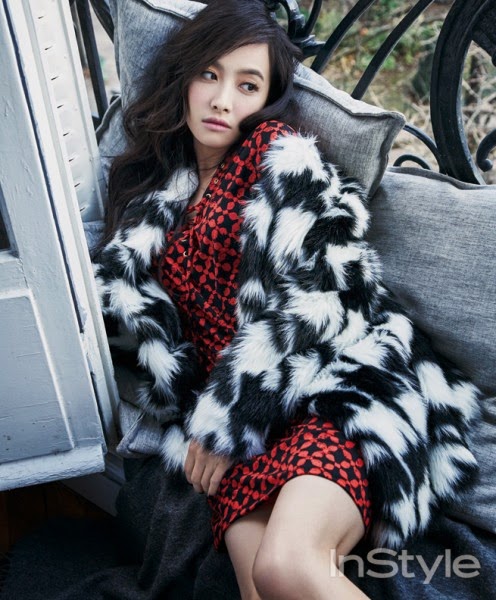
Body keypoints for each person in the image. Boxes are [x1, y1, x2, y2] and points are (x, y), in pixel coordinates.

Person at [92, 1, 479, 598]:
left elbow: (328, 300)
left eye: (247, 85)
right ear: (184, 79)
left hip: (334, 391)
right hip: (244, 435)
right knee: (256, 586)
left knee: (286, 567)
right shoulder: (157, 194)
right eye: (210, 75)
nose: (223, 100)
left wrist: (230, 415)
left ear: (267, 99)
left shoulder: (280, 157)